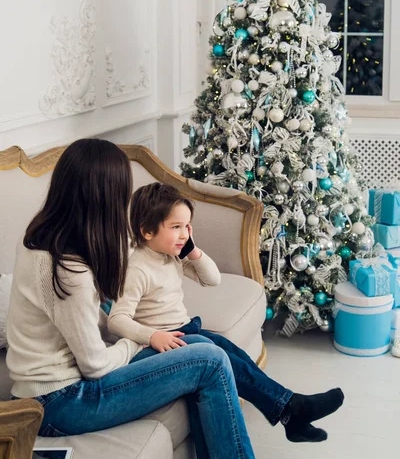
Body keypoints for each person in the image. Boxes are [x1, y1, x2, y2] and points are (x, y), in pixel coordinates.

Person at [6, 139, 257, 459]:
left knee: (197, 345)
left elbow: (81, 316)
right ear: (105, 198)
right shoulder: (68, 269)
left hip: (47, 392)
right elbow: (95, 365)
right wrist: (139, 341)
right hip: (63, 403)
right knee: (209, 360)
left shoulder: (38, 236)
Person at [108, 182, 345, 445]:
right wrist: (152, 336)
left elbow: (212, 279)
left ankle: (289, 411)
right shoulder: (138, 269)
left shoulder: (171, 256)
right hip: (158, 345)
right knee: (223, 355)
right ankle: (291, 409)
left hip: (184, 331)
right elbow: (116, 320)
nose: (184, 234)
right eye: (175, 227)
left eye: (187, 226)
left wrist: (194, 252)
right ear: (147, 231)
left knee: (233, 354)